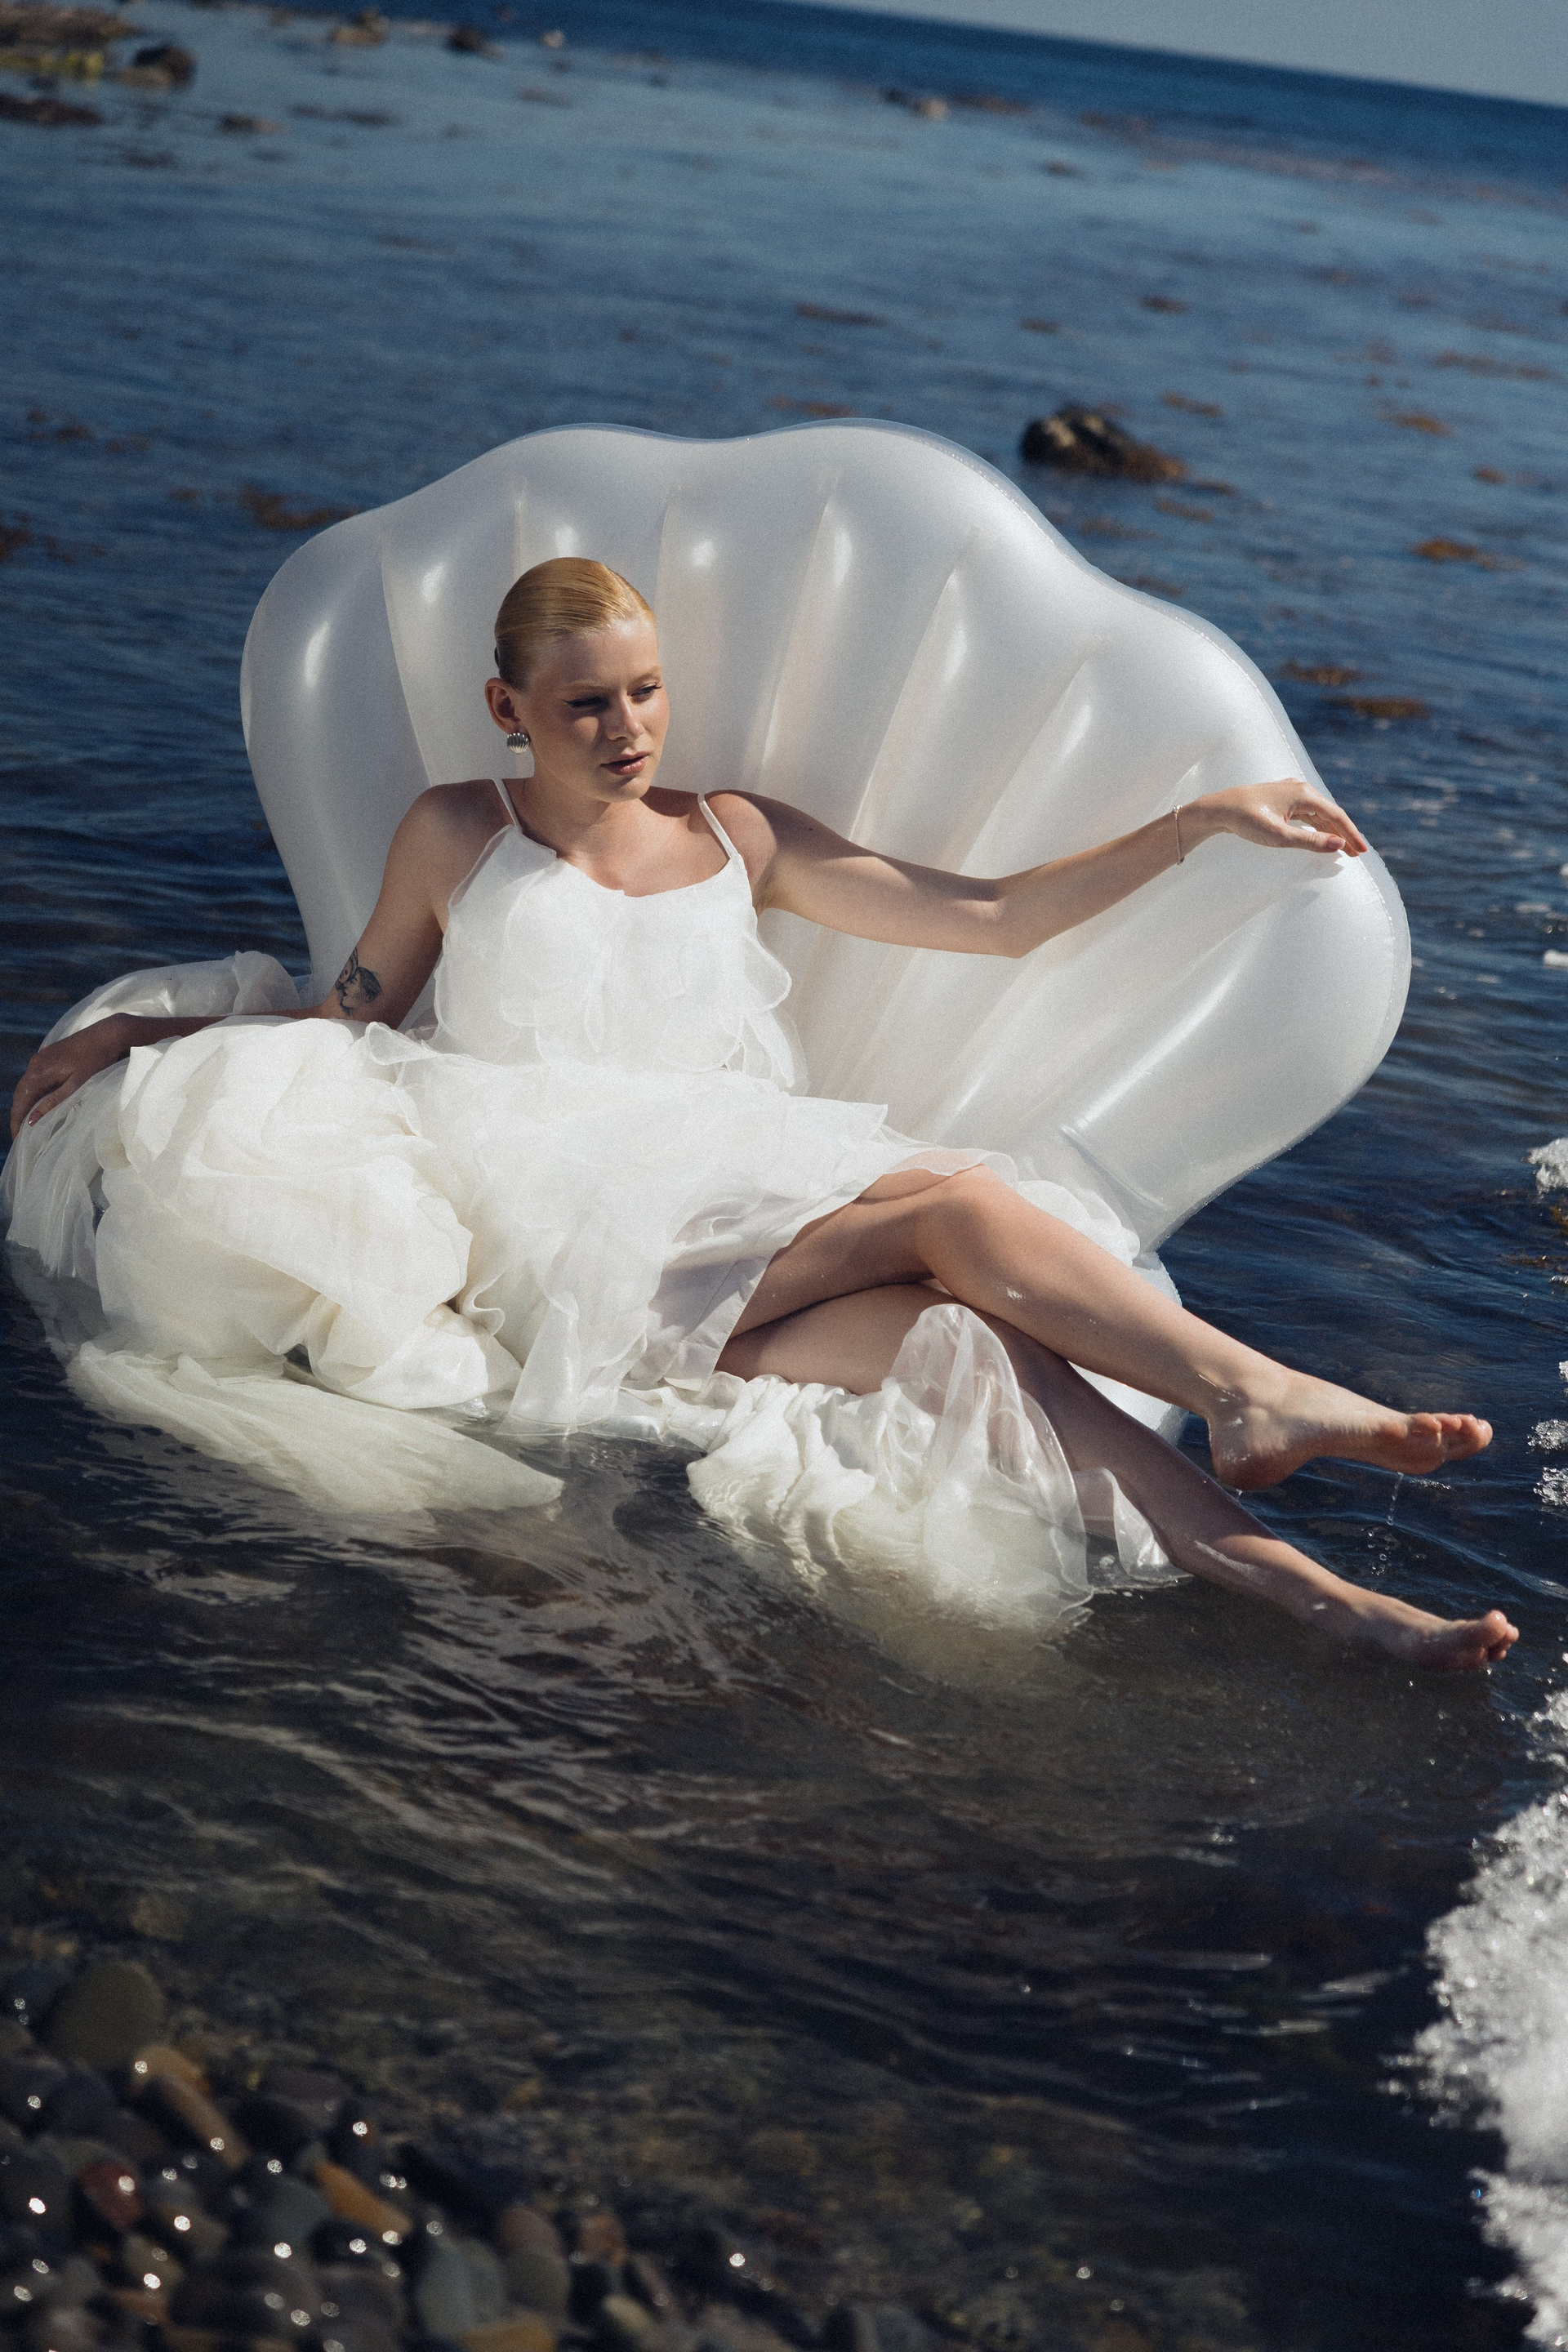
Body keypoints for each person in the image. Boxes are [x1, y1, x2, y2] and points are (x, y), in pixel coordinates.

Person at [7, 559, 1515, 1669]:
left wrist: (1195, 825)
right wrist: (153, 1029)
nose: (627, 727)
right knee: (957, 1209)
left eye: (646, 691)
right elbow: (353, 1020)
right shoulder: (462, 829)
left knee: (978, 1347)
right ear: (509, 710)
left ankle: (1327, 1601)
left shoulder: (736, 836)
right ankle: (1257, 1391)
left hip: (726, 1211)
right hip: (564, 1226)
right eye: (586, 702)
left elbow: (996, 918)